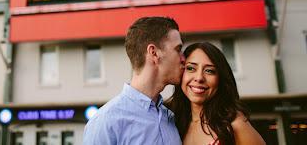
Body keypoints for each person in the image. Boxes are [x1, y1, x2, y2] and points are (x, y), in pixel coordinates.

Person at [83, 16, 184, 145]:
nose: (183, 58)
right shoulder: (105, 122)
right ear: (154, 53)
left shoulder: (170, 118)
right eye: (178, 49)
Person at [168, 42, 265, 145]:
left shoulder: (234, 124)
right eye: (191, 68)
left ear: (220, 79)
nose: (199, 78)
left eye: (209, 71)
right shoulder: (171, 123)